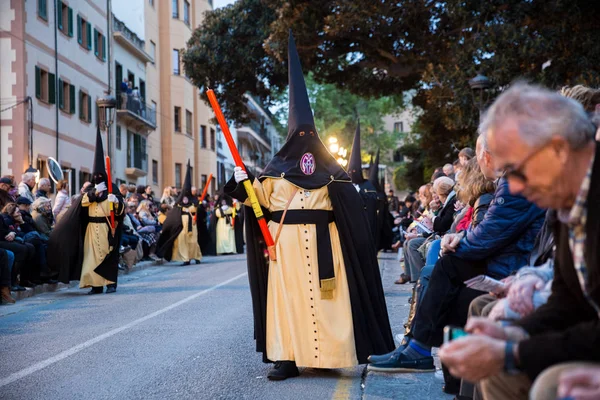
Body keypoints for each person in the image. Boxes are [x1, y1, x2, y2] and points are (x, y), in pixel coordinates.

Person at [224, 32, 393, 381]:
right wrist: (241, 179)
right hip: (284, 246)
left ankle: (330, 355)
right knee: (287, 303)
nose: (303, 142)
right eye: (297, 135)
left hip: (325, 244)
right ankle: (286, 357)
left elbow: (351, 211)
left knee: (328, 301)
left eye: (308, 135)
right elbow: (257, 203)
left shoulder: (335, 174)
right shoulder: (273, 172)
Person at [439, 83, 600, 400]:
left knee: (549, 385)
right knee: (505, 371)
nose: (512, 186)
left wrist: (513, 352)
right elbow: (568, 302)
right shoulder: (566, 202)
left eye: (514, 169)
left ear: (558, 150)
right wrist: (514, 333)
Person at [368, 133, 545, 385]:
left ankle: (419, 350)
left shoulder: (515, 182)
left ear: (485, 155)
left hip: (514, 268)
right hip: (512, 261)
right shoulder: (515, 179)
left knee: (447, 271)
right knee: (445, 271)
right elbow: (487, 231)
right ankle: (422, 352)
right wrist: (458, 239)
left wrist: (454, 245)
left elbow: (487, 236)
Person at [48, 128, 124, 294]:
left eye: (100, 175)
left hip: (106, 227)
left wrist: (115, 201)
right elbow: (81, 203)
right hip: (91, 229)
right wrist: (94, 193)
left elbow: (120, 211)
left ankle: (110, 283)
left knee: (107, 255)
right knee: (92, 257)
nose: (97, 178)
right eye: (95, 176)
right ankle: (95, 285)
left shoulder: (113, 188)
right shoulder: (90, 189)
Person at [156, 161, 202, 266]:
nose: (185, 200)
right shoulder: (178, 206)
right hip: (182, 226)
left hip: (192, 225)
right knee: (182, 242)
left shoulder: (194, 204)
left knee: (193, 242)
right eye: (184, 198)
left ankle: (196, 256)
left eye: (187, 197)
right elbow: (173, 216)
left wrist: (195, 207)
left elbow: (196, 212)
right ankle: (186, 259)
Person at [347, 120, 379, 241]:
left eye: (354, 172)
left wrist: (360, 194)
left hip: (364, 223)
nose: (352, 175)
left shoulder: (367, 185)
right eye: (350, 172)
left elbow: (373, 200)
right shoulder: (345, 184)